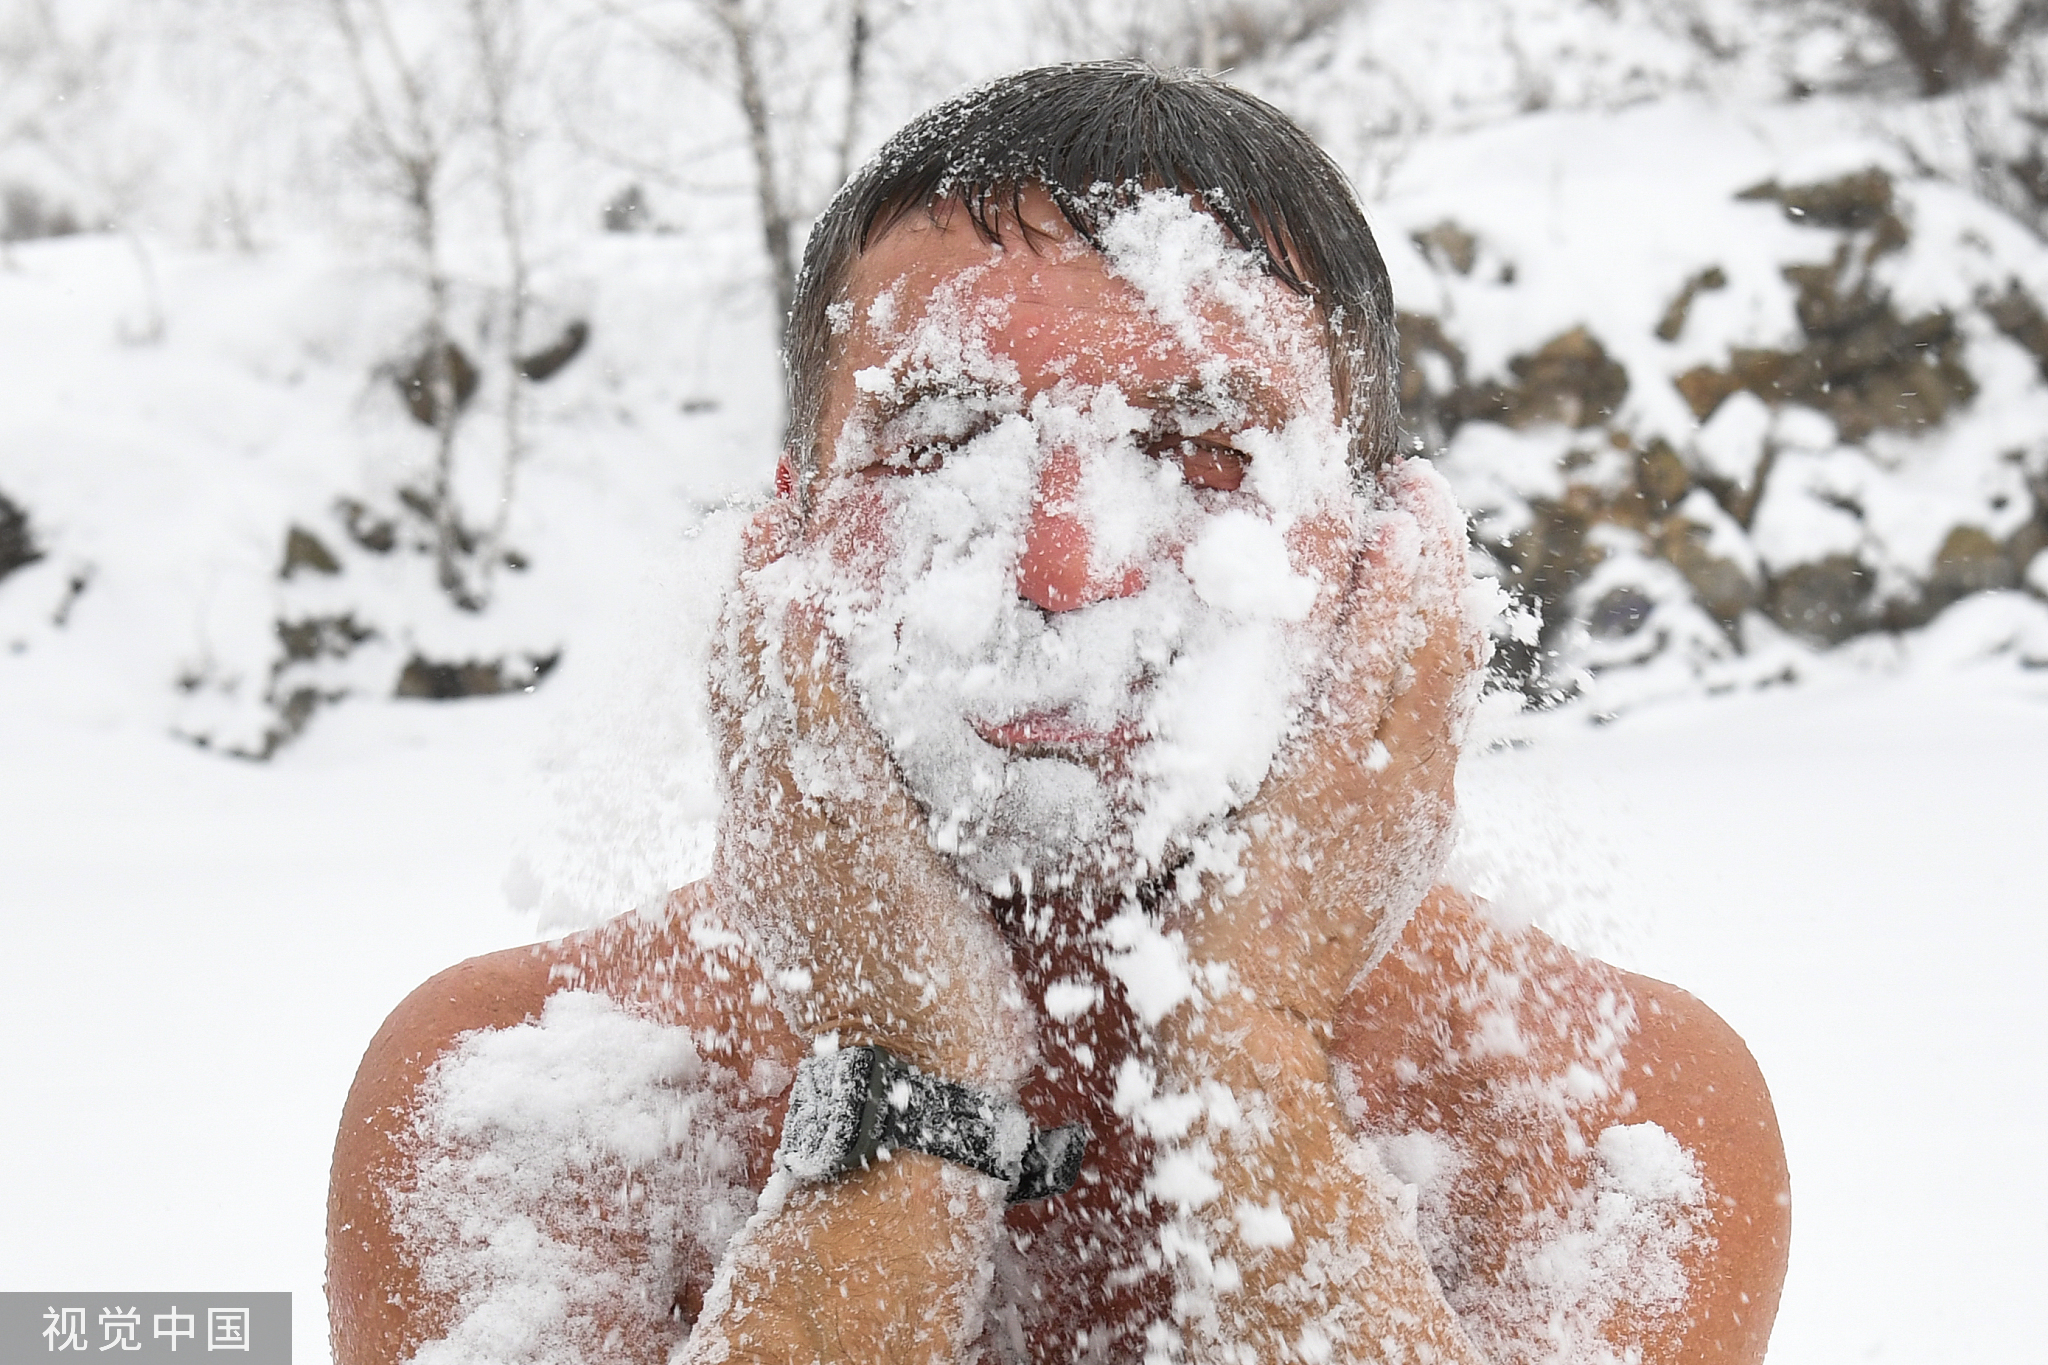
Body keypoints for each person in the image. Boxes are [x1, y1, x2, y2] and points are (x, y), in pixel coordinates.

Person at [327, 64, 1789, 1365]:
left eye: (1205, 453)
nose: (1062, 567)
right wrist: (903, 1078)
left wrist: (1255, 1057)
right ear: (789, 552)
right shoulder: (523, 1092)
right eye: (948, 443)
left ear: (1381, 567)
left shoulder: (1612, 1119)